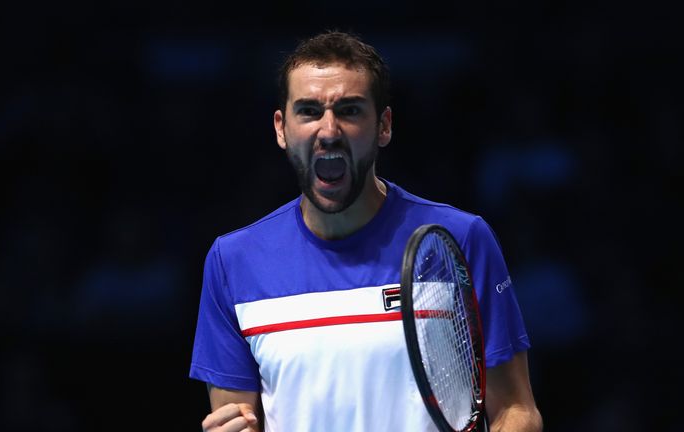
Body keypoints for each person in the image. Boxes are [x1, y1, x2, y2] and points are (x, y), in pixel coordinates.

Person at [189, 30, 543, 432]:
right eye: (308, 111)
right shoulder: (233, 262)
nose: (328, 130)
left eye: (350, 110)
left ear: (384, 126)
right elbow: (236, 416)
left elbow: (518, 410)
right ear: (281, 129)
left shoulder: (460, 240)